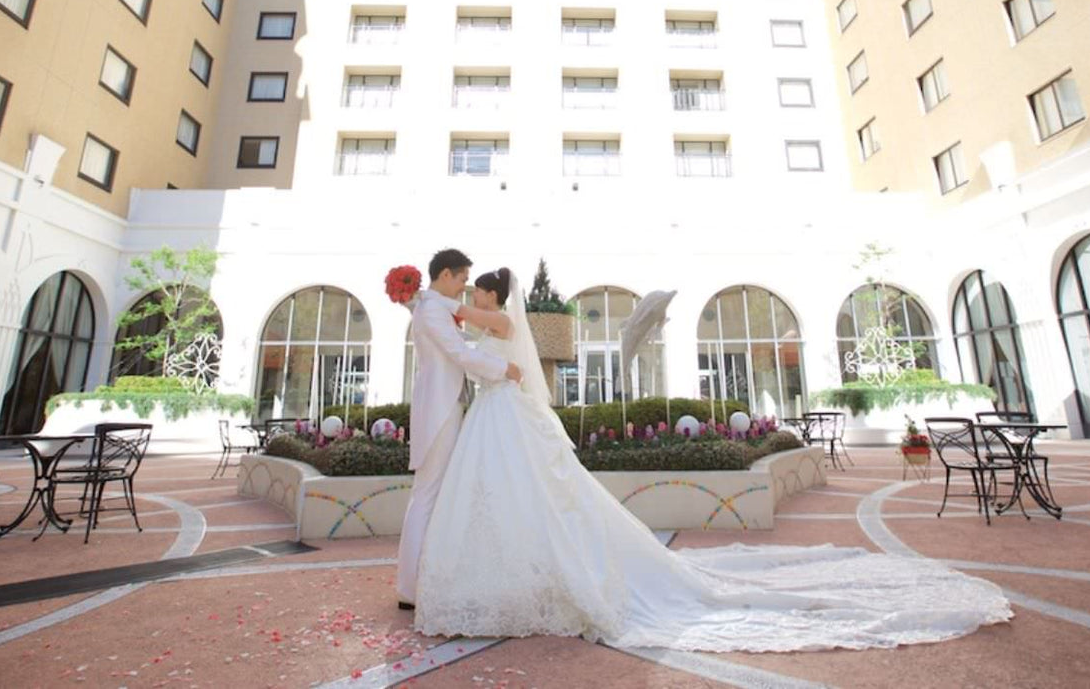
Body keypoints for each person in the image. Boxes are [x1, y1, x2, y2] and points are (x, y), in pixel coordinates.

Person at [414, 267, 1012, 652]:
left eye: (476, 287)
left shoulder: (491, 315)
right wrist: (429, 305)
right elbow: (462, 339)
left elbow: (467, 331)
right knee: (513, 495)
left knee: (529, 492)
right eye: (465, 285)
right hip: (494, 413)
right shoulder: (478, 315)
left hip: (503, 410)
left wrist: (430, 301)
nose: (470, 292)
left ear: (493, 293)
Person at [395, 249, 522, 611]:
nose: (466, 287)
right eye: (464, 279)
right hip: (440, 409)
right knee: (428, 494)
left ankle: (420, 582)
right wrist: (504, 368)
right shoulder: (434, 309)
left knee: (432, 494)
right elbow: (458, 354)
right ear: (446, 275)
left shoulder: (431, 306)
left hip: (446, 406)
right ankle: (411, 588)